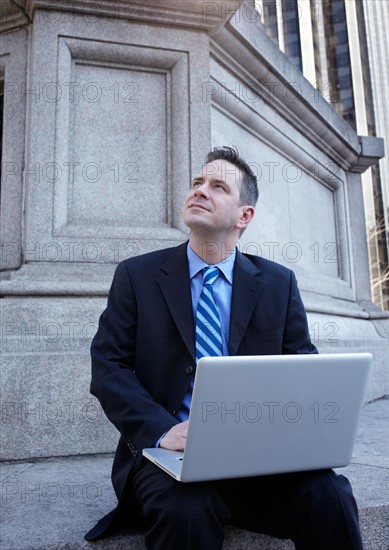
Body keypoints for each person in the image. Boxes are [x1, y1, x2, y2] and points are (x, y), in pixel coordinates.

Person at [85, 146, 363, 549]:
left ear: (243, 216)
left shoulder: (277, 284)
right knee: (187, 507)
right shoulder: (138, 275)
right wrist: (163, 430)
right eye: (198, 182)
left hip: (259, 458)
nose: (200, 190)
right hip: (167, 458)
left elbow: (304, 370)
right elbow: (108, 368)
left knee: (330, 493)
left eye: (217, 186)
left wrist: (300, 434)